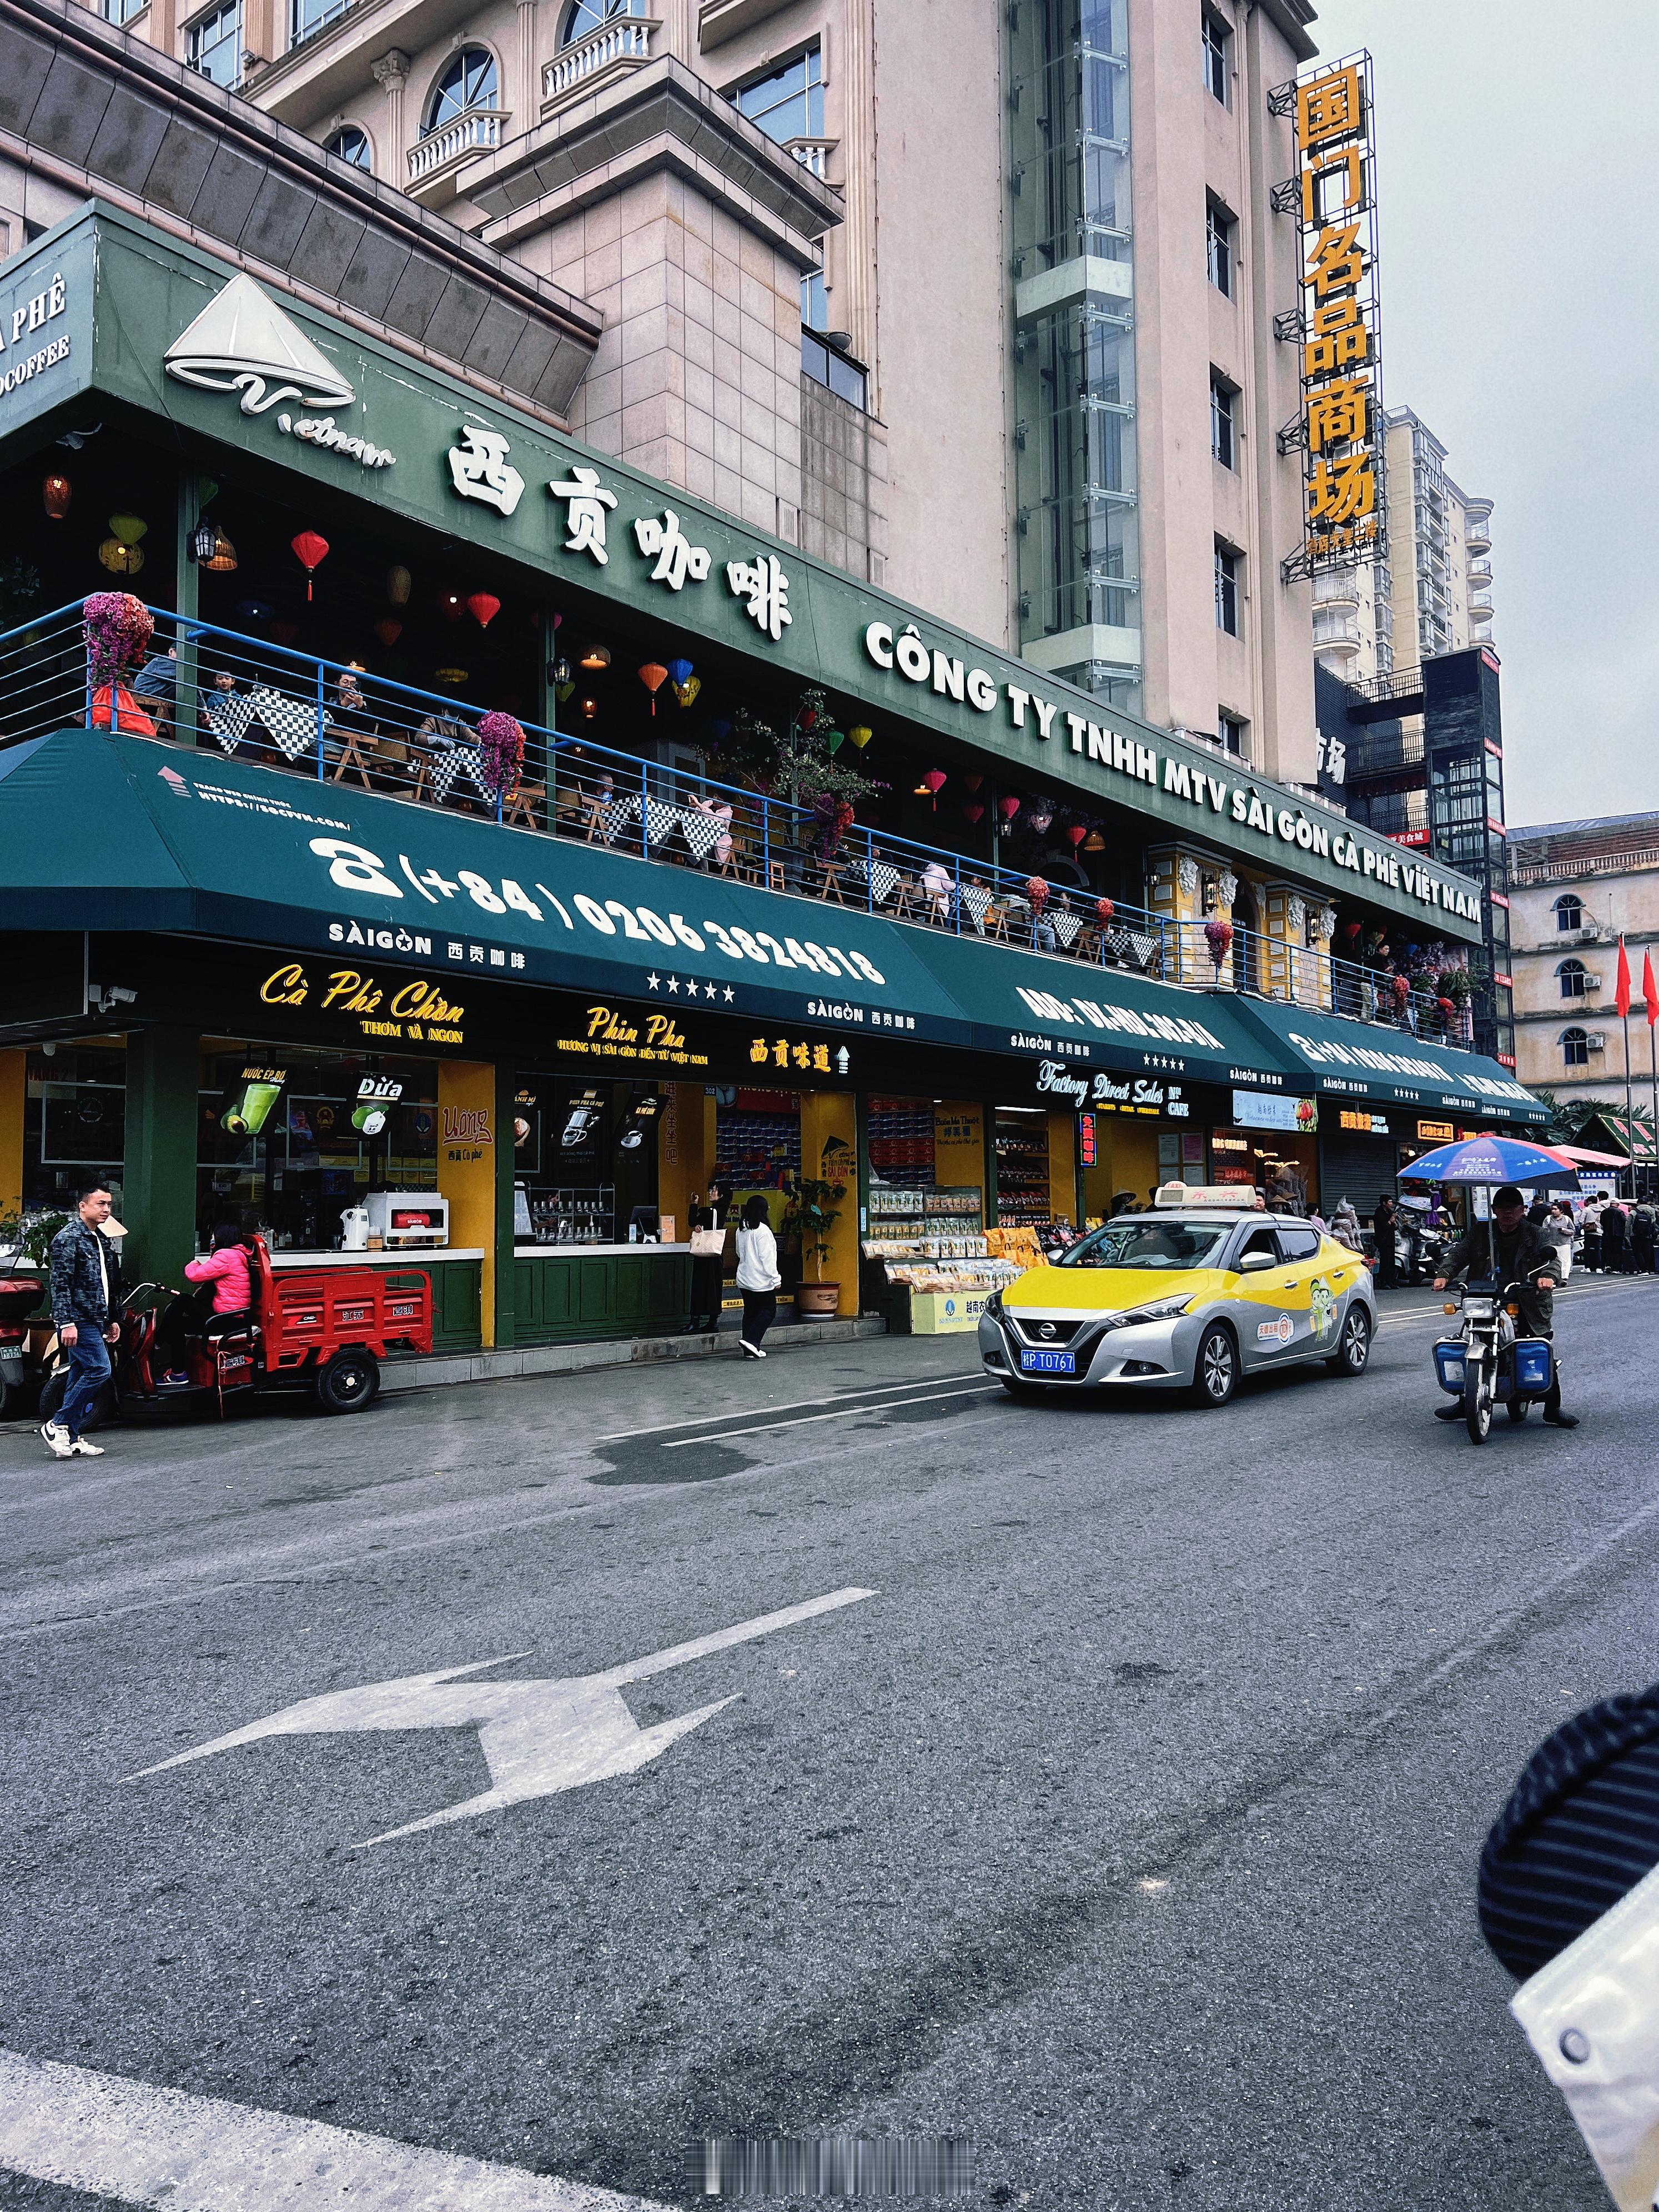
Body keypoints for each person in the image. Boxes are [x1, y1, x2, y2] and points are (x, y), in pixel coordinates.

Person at [1434, 1184, 1577, 1427]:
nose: (1507, 1213)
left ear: (1522, 1210)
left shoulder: (1536, 1234)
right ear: (1494, 1210)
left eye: (1513, 1208)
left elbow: (1551, 1259)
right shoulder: (1481, 1232)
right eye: (1502, 1208)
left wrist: (1548, 1278)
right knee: (1467, 1338)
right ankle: (1465, 1400)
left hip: (1525, 1297)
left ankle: (1553, 1408)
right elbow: (1459, 1254)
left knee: (1536, 1347)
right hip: (1485, 1295)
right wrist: (1444, 1273)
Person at [42, 1182, 119, 1458]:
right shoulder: (67, 1239)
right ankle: (58, 1423)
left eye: (109, 1204)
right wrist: (65, 1323)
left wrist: (110, 1319)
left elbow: (104, 1283)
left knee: (78, 1375)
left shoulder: (98, 1238)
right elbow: (60, 1284)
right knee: (100, 1369)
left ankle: (73, 1437)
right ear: (82, 1206)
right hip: (78, 1319)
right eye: (101, 1204)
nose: (107, 1209)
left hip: (95, 1319)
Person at [155, 1223, 257, 1384]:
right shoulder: (237, 1255)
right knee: (177, 1325)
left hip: (227, 1320)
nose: (211, 1239)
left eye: (214, 1235)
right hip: (228, 1318)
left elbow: (195, 1276)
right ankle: (178, 1373)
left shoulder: (227, 1256)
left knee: (182, 1300)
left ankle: (159, 1340)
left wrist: (194, 1262)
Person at [734, 1193, 781, 1358]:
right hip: (761, 1281)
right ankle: (752, 1341)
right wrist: (776, 1279)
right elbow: (767, 1258)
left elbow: (739, 1253)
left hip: (744, 1279)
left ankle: (750, 1349)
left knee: (751, 1312)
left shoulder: (741, 1229)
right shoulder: (763, 1230)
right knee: (769, 1311)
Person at [682, 1182, 727, 1336]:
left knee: (699, 1286)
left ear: (721, 1195)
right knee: (714, 1288)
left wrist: (694, 1204)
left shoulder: (710, 1211)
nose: (710, 1193)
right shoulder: (721, 1211)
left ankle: (695, 1320)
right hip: (715, 1256)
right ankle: (712, 1321)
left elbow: (692, 1220)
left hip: (705, 1256)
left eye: (714, 1191)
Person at [1541, 1199, 1576, 1283]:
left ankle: (1564, 1278)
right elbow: (1543, 1230)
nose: (1553, 1211)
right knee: (1554, 1261)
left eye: (1555, 1209)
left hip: (1565, 1243)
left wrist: (1564, 1231)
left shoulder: (1567, 1219)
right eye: (1552, 1209)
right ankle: (1554, 1276)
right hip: (1552, 1243)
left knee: (1565, 1261)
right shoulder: (1548, 1219)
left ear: (1561, 1211)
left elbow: (1573, 1230)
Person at [1373, 1192, 1400, 1288]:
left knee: (1391, 1262)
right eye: (1390, 1202)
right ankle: (1383, 1282)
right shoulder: (1379, 1212)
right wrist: (1390, 1221)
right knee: (1385, 1262)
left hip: (1391, 1240)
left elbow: (1395, 1227)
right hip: (1383, 1241)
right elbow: (1383, 1227)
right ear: (1384, 1203)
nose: (1391, 1204)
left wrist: (1395, 1222)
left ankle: (1391, 1281)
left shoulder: (1389, 1212)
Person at [1601, 1196, 1629, 1275]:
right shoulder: (1620, 1212)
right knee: (1617, 1252)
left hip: (1607, 1234)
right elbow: (1625, 1223)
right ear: (1617, 1204)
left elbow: (1602, 1222)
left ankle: (1609, 1266)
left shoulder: (1604, 1212)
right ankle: (1616, 1268)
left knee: (1608, 1251)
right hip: (1618, 1235)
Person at [1633, 1199, 1657, 1275]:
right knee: (1647, 1252)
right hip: (1647, 1234)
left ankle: (1642, 1269)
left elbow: (1629, 1223)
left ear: (1638, 1203)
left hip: (1636, 1234)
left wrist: (1628, 1234)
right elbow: (1653, 1222)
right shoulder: (1652, 1211)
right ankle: (1647, 1269)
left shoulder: (1634, 1211)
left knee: (1638, 1252)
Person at [1580, 1194, 1603, 1274]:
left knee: (1587, 1250)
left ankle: (1588, 1267)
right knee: (1598, 1250)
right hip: (1599, 1232)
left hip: (1589, 1232)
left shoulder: (1586, 1210)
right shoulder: (1601, 1210)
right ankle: (1599, 1268)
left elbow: (1581, 1220)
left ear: (1590, 1202)